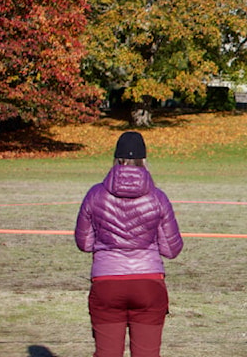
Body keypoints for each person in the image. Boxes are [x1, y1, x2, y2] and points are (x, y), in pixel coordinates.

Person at [75, 131, 184, 357]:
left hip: (106, 282)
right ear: (143, 160)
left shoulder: (95, 195)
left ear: (116, 159)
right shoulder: (158, 197)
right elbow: (171, 250)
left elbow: (84, 243)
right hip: (148, 282)